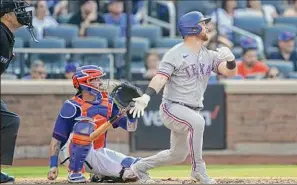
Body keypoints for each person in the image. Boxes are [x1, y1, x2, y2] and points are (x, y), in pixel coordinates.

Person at [129, 11, 238, 184]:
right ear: (193, 28)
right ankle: (198, 170)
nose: (207, 27)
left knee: (177, 155)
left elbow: (229, 72)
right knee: (198, 122)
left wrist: (231, 60)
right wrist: (147, 96)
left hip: (191, 108)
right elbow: (160, 77)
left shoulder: (208, 55)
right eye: (203, 24)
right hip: (172, 107)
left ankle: (139, 167)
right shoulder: (175, 53)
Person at [47, 65, 140, 183]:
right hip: (71, 154)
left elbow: (130, 128)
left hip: (96, 151)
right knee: (84, 126)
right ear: (84, 83)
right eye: (95, 79)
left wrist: (132, 114)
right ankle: (75, 173)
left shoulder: (108, 103)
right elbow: (56, 139)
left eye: (99, 79)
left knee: (135, 165)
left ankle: (101, 175)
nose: (100, 82)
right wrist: (53, 165)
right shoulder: (71, 106)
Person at [0, 0, 37, 183]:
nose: (23, 13)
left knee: (8, 121)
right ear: (6, 15)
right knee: (9, 121)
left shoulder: (5, 34)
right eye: (18, 10)